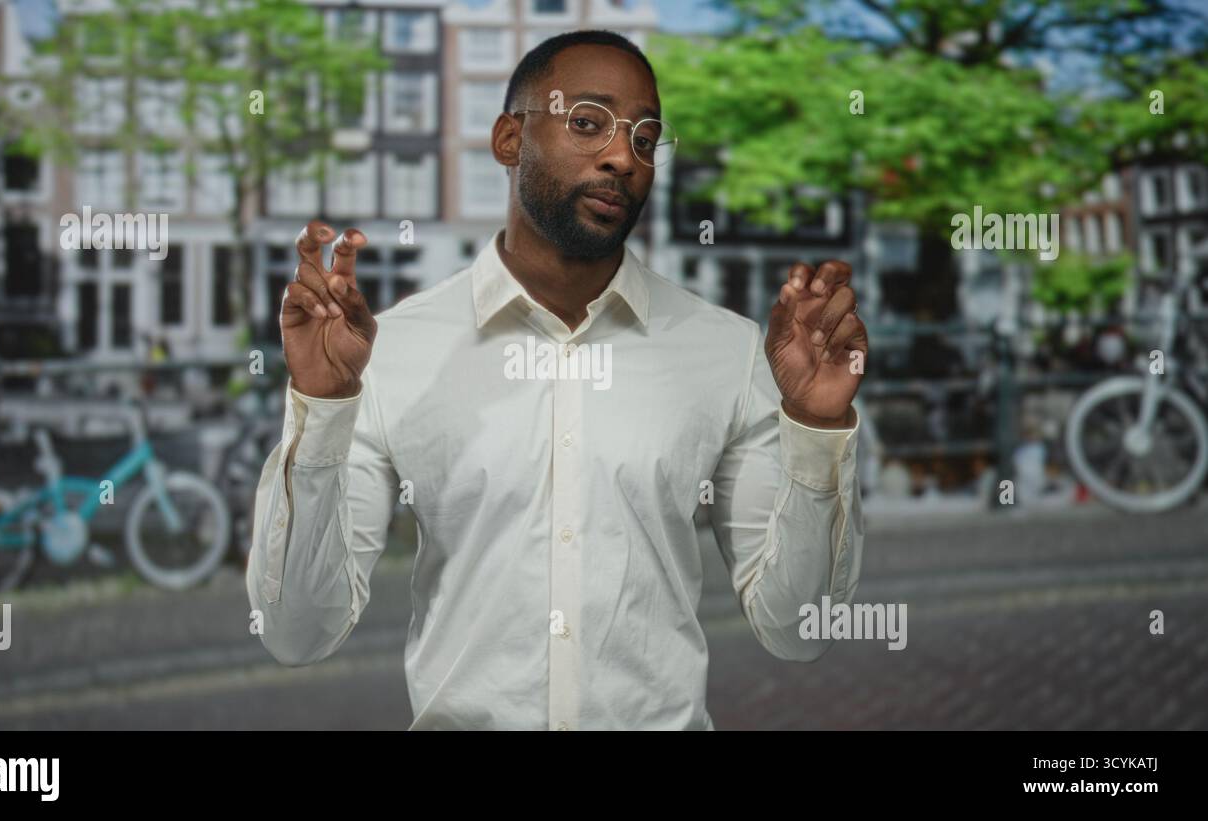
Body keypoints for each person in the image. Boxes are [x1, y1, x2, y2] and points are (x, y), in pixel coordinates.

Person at [246, 30, 869, 730]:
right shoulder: (391, 353)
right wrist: (324, 408)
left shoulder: (726, 352)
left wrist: (816, 429)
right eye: (587, 122)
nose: (621, 157)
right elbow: (296, 633)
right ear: (510, 139)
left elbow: (801, 629)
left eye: (645, 137)